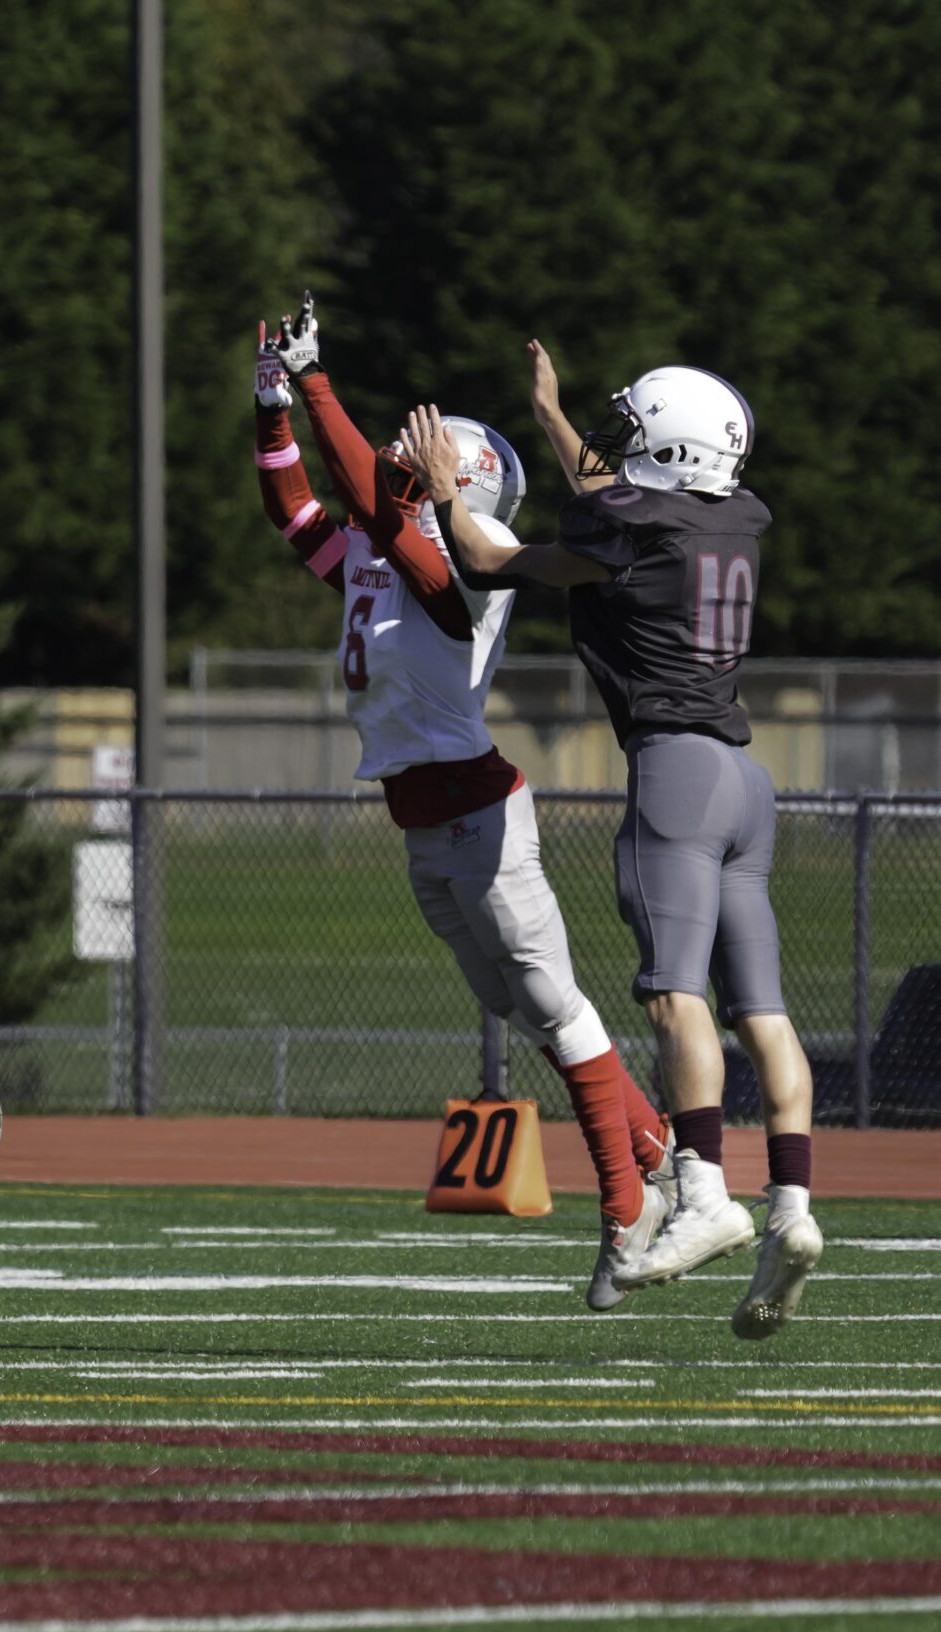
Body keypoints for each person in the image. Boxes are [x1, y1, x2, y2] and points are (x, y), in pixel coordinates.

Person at [256, 302, 673, 1307]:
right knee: (520, 1009)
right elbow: (297, 511)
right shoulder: (382, 545)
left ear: (464, 481)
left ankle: (626, 1213)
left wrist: (316, 383)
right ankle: (657, 1148)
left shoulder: (470, 554)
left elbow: (381, 511)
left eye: (416, 466)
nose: (392, 475)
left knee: (556, 1008)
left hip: (480, 815)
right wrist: (269, 406)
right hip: (420, 815)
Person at [406, 351, 823, 1339]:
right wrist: (549, 414)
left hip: (675, 771)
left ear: (670, 451)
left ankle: (704, 1193)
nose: (614, 453)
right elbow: (619, 499)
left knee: (674, 996)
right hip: (744, 777)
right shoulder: (736, 514)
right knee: (760, 1012)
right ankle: (794, 1210)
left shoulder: (628, 532)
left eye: (633, 436)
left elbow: (484, 558)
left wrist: (438, 494)